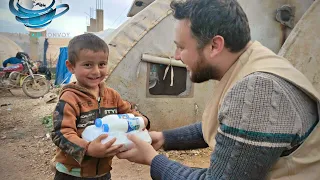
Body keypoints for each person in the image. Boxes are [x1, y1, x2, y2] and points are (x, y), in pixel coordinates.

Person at [117, 0, 320, 179]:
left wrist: (153, 160)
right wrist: (164, 138)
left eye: (181, 47)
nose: (177, 56)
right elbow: (226, 126)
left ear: (215, 45)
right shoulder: (253, 63)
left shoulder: (258, 90)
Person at [51, 33, 150, 180]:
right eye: (88, 65)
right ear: (71, 67)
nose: (96, 71)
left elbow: (129, 113)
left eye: (102, 64)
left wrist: (143, 121)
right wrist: (88, 148)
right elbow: (61, 133)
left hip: (103, 172)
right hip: (72, 173)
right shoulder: (70, 98)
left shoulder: (112, 96)